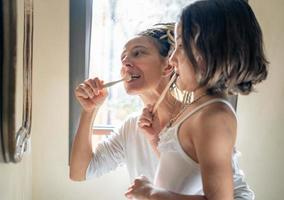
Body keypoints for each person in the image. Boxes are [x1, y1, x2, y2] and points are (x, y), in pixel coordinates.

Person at [69, 23, 255, 199]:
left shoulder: (199, 118)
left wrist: (151, 195)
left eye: (138, 53)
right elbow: (80, 171)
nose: (125, 61)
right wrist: (90, 110)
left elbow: (237, 196)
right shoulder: (132, 127)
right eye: (123, 57)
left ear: (168, 65)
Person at [124, 1, 268, 200]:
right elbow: (185, 169)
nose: (172, 59)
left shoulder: (214, 116)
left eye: (181, 46)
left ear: (210, 51)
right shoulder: (196, 105)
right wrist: (155, 138)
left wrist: (151, 193)